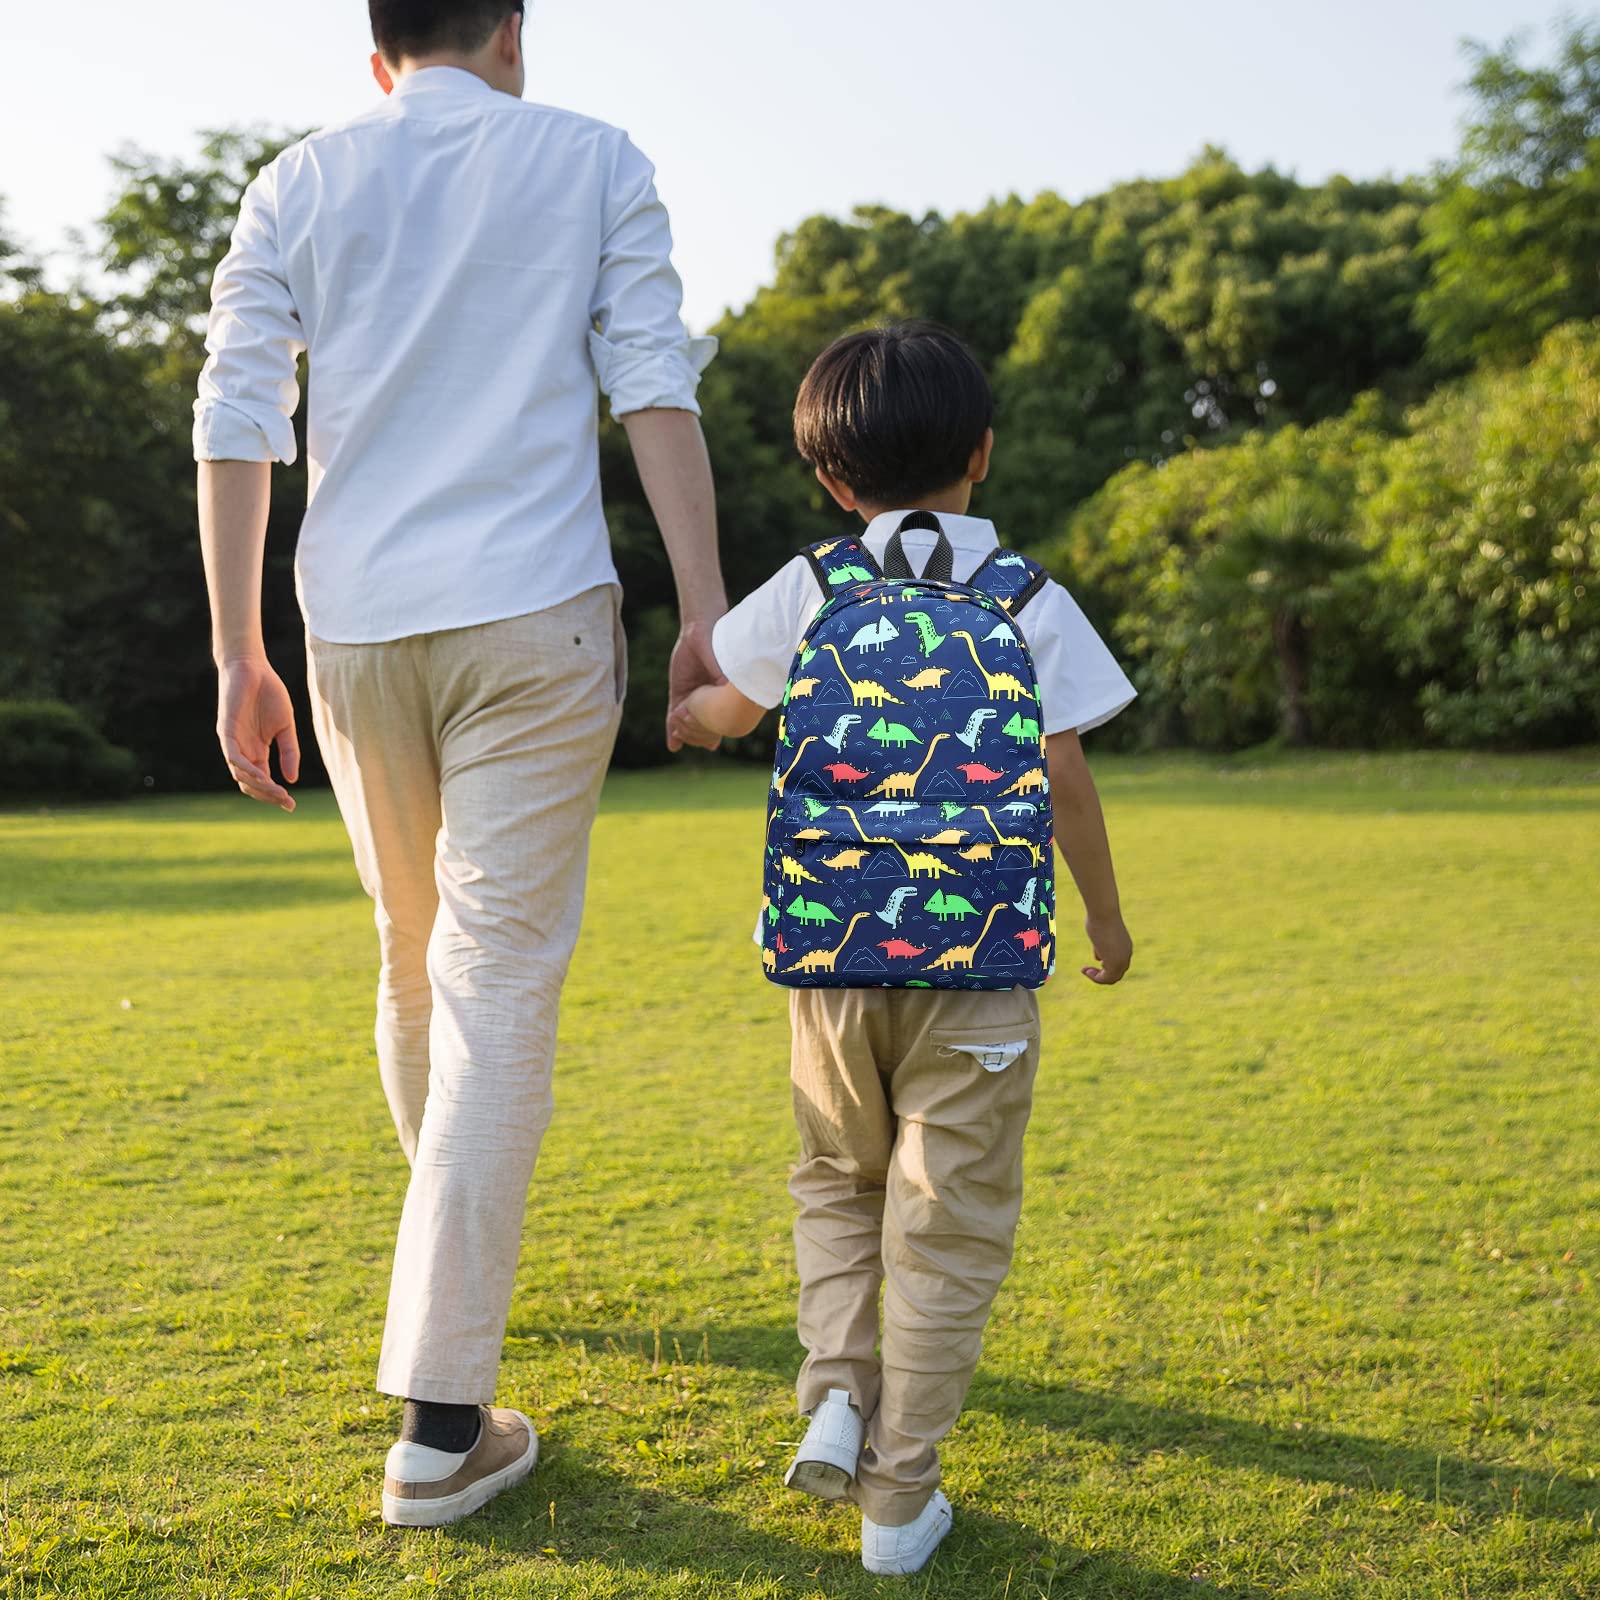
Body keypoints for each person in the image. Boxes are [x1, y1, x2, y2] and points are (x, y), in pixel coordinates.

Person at [194, 0, 726, 1527]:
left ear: (379, 54)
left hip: (353, 630)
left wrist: (238, 651)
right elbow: (653, 383)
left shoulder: (296, 176)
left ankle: (455, 1284)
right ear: (512, 31)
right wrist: (703, 608)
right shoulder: (593, 156)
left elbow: (237, 409)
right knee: (489, 976)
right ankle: (440, 1421)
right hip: (535, 616)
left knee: (417, 960)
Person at [677, 322, 1135, 1576]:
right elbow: (1066, 772)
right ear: (981, 455)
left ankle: (837, 1386)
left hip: (829, 973)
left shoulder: (814, 585)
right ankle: (899, 1494)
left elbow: (728, 700)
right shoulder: (1027, 598)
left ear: (833, 481)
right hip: (980, 968)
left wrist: (691, 716)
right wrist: (1100, 915)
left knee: (836, 1180)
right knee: (948, 1219)